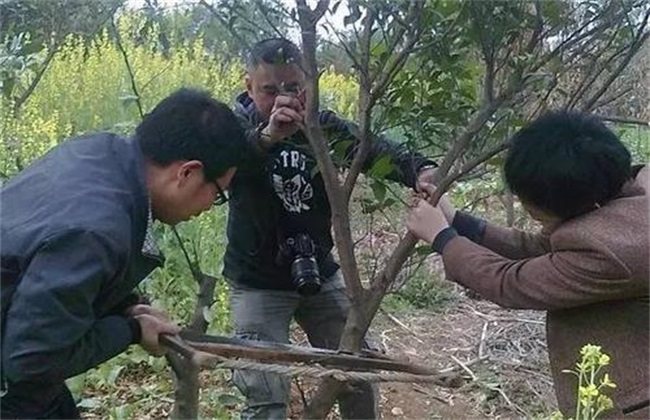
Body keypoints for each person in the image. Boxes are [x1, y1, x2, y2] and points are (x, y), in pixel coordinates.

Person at [224, 37, 437, 419]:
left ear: (308, 85)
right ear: (248, 86)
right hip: (257, 279)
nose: (282, 100)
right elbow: (228, 165)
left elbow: (371, 151)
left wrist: (419, 169)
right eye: (269, 90)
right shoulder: (233, 127)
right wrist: (269, 136)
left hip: (319, 270)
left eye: (293, 88)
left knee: (357, 371)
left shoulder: (321, 126)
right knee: (264, 393)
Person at [0, 88, 246, 418]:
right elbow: (33, 361)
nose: (209, 208)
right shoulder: (95, 231)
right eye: (218, 195)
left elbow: (44, 265)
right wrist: (130, 331)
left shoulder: (96, 151)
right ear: (186, 172)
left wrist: (129, 306)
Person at [406, 111, 649, 418]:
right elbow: (541, 249)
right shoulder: (621, 200)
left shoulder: (617, 251)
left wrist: (442, 237)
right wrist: (458, 223)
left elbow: (509, 283)